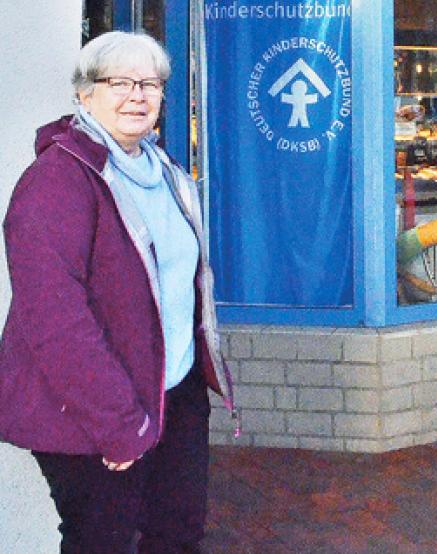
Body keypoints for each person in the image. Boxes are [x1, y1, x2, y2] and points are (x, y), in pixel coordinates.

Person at [0, 31, 235, 552]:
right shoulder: (57, 181)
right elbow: (56, 323)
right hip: (96, 413)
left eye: (150, 84)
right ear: (84, 94)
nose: (137, 95)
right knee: (102, 541)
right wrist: (118, 424)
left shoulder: (166, 172)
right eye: (120, 82)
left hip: (174, 396)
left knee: (175, 536)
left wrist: (195, 381)